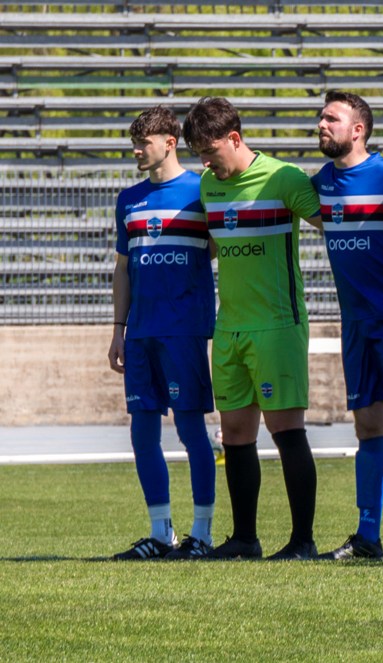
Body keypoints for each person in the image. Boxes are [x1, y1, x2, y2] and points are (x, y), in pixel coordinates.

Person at [182, 96, 321, 560]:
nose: (205, 163)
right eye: (199, 154)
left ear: (235, 138)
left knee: (286, 430)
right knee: (236, 435)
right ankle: (245, 539)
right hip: (230, 328)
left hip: (278, 326)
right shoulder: (208, 185)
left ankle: (302, 541)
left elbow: (334, 224)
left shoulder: (285, 179)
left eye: (210, 151)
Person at [310, 91, 383, 560]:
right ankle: (367, 534)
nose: (322, 124)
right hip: (355, 322)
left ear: (358, 130)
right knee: (367, 426)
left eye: (331, 118)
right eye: (321, 117)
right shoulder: (320, 183)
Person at [108, 105, 217, 560]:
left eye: (144, 143)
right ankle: (160, 533)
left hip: (184, 330)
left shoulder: (202, 191)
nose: (137, 151)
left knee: (191, 431)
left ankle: (202, 534)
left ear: (170, 143)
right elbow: (123, 269)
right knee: (142, 435)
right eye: (134, 143)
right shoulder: (128, 199)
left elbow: (218, 248)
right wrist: (118, 328)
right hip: (140, 333)